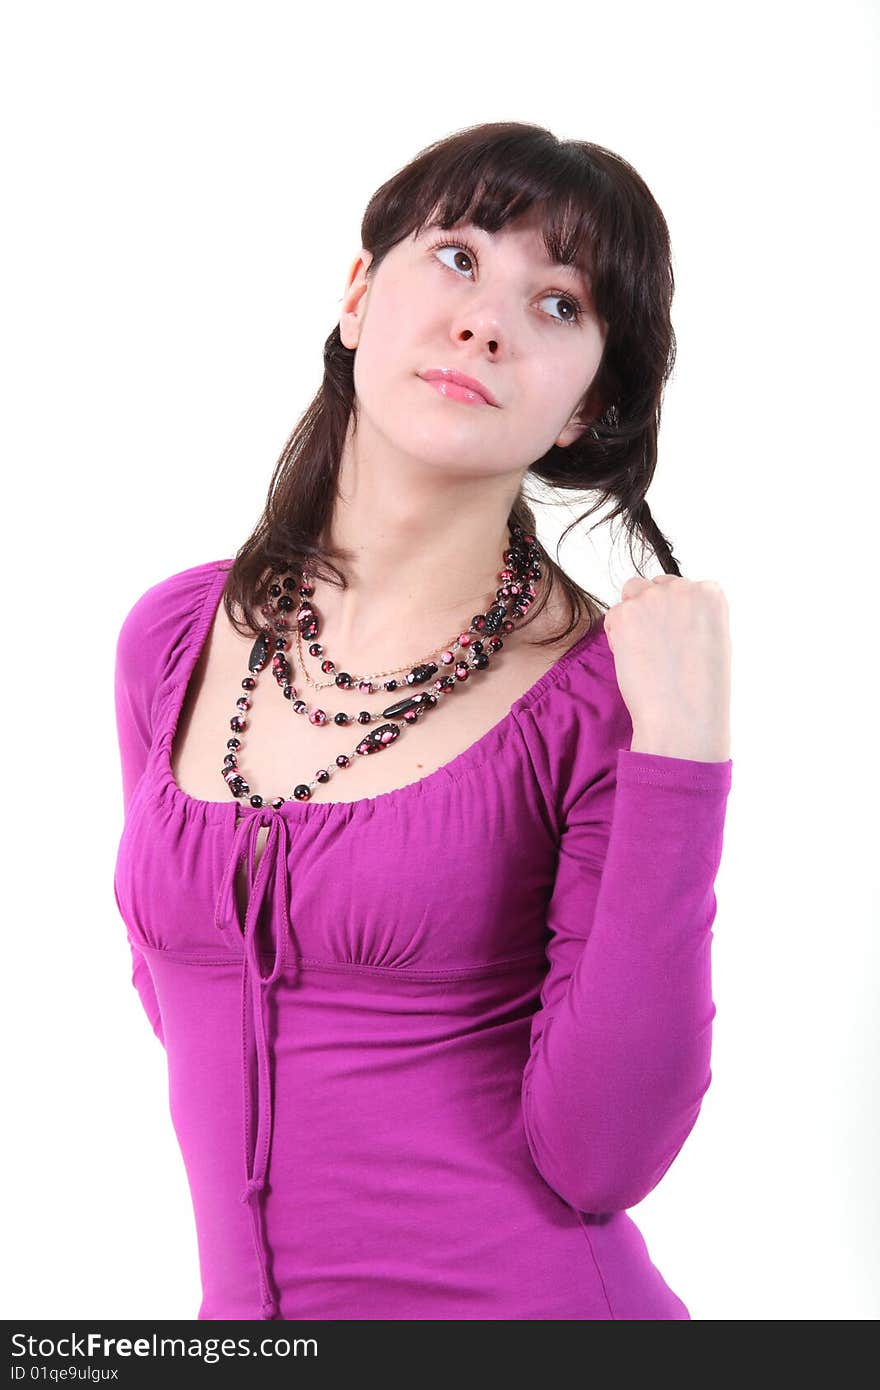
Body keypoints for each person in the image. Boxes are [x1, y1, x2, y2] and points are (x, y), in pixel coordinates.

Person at [113, 120, 733, 1321]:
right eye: (457, 257)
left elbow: (602, 1155)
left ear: (580, 409)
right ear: (357, 295)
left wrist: (684, 767)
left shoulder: (606, 695)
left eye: (557, 304)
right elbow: (177, 1001)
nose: (486, 322)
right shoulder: (172, 640)